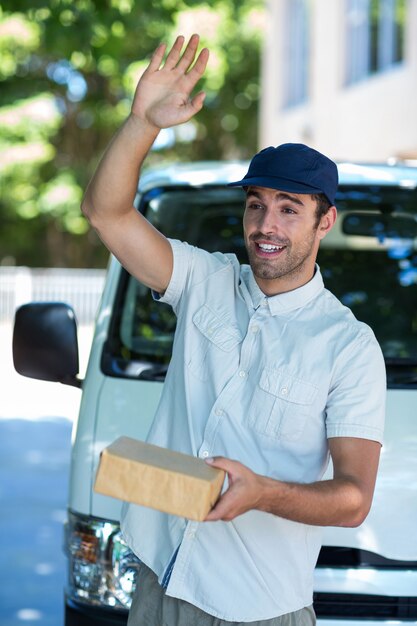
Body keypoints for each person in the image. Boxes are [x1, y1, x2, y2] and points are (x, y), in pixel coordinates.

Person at [82, 34, 386, 626]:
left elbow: (354, 498)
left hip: (256, 610)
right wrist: (142, 121)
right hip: (157, 578)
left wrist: (263, 493)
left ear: (325, 220)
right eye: (256, 204)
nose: (266, 224)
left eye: (289, 208)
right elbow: (106, 212)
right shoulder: (205, 279)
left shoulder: (349, 347)